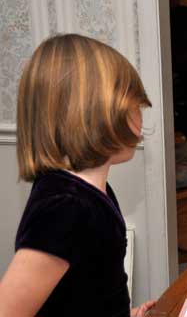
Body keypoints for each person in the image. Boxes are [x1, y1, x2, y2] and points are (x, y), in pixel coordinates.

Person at [0, 34, 156, 316]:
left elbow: (85, 295)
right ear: (98, 114)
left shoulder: (93, 193)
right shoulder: (65, 206)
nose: (142, 115)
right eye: (136, 105)